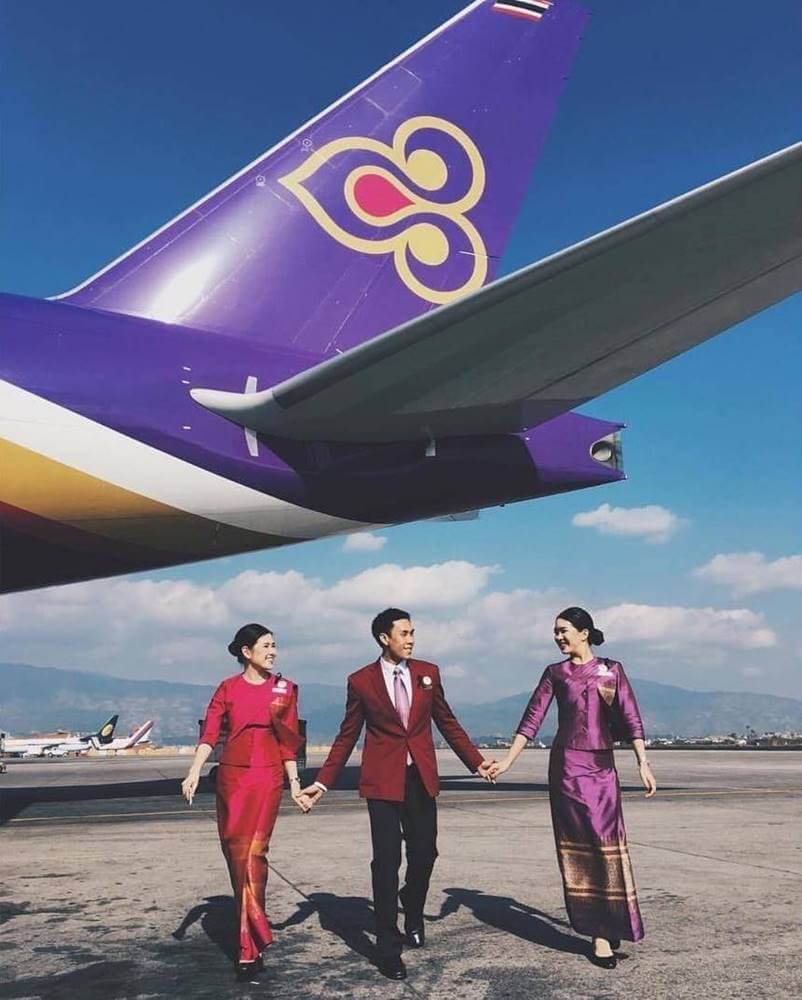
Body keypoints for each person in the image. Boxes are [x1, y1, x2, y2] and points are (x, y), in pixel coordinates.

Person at [299, 608, 495, 981]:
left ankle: (413, 908)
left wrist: (477, 762)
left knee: (425, 853)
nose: (411, 639)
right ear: (383, 638)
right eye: (404, 633)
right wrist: (322, 782)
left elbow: (447, 721)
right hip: (382, 782)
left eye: (413, 633)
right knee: (386, 862)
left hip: (420, 777)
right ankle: (389, 947)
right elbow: (347, 735)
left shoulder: (428, 673)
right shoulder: (361, 681)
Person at [490, 607, 656, 969]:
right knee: (581, 849)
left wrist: (642, 762)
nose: (558, 637)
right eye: (555, 631)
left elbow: (631, 716)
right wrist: (508, 761)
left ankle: (613, 920)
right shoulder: (556, 673)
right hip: (567, 769)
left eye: (563, 630)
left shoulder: (611, 670)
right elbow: (532, 718)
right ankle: (599, 934)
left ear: (584, 632)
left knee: (608, 845)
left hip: (603, 769)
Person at [181, 623, 307, 983]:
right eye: (266, 646)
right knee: (237, 858)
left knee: (254, 854)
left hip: (267, 777)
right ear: (246, 652)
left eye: (274, 645)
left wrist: (295, 783)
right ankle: (252, 932)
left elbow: (288, 742)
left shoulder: (284, 689)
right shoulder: (227, 688)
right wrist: (194, 771)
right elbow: (210, 734)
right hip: (233, 780)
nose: (273, 651)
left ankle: (248, 948)